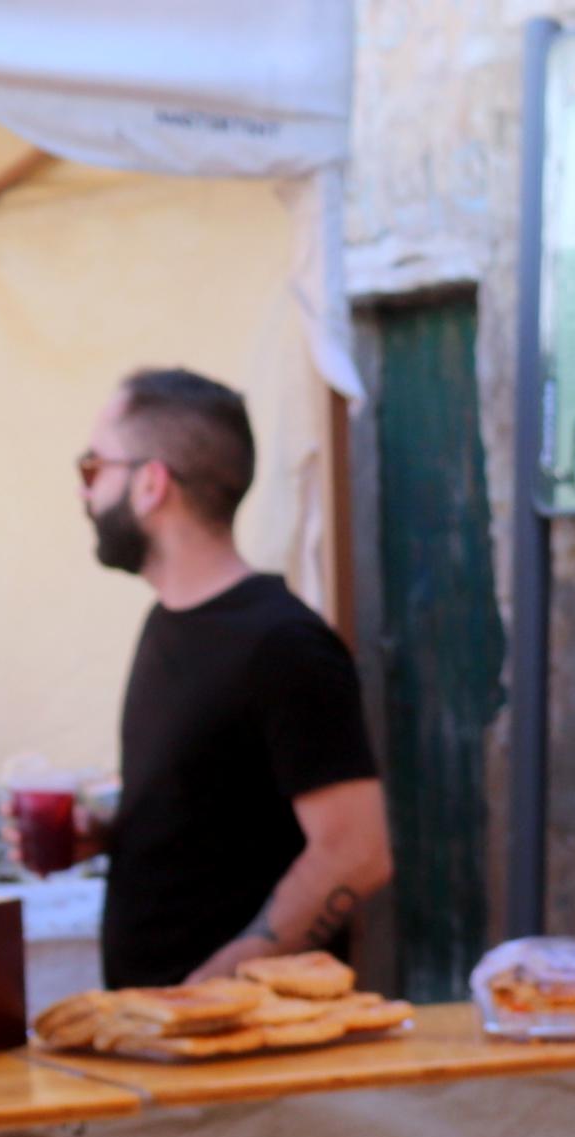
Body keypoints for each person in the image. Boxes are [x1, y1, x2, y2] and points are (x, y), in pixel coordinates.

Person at [78, 367, 389, 986]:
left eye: (93, 469)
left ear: (150, 484)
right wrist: (106, 836)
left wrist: (217, 986)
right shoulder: (167, 622)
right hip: (164, 1038)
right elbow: (213, 818)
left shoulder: (283, 645)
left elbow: (357, 853)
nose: (86, 493)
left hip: (244, 1053)